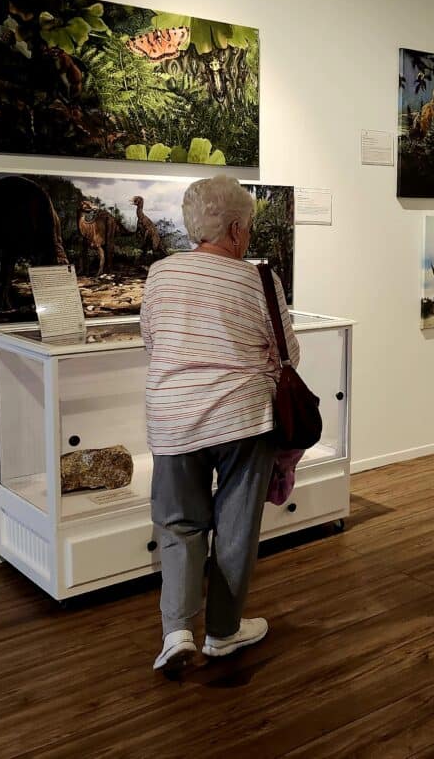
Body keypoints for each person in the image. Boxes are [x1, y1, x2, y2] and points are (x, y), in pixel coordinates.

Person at [141, 175, 299, 675]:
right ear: (235, 230)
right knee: (235, 528)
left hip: (173, 417)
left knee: (178, 523)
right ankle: (223, 632)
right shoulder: (259, 281)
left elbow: (152, 341)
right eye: (247, 225)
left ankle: (176, 632)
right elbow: (287, 356)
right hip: (242, 419)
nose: (247, 234)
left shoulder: (160, 274)